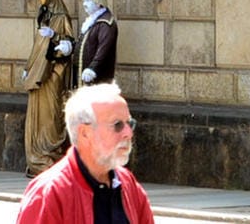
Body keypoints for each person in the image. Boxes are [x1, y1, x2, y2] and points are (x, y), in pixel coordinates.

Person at [16, 82, 151, 224]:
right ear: (85, 133)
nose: (128, 133)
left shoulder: (127, 184)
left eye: (130, 123)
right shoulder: (49, 193)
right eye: (117, 125)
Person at [21, 0, 77, 173]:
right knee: (39, 117)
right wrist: (29, 67)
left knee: (52, 117)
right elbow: (38, 46)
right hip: (39, 74)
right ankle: (37, 157)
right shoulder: (44, 15)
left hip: (53, 74)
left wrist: (55, 36)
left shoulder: (61, 17)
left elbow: (68, 46)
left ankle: (51, 156)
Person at [76, 0, 117, 85]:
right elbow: (85, 44)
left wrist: (92, 68)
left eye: (88, 1)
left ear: (99, 3)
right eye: (84, 1)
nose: (84, 4)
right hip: (84, 75)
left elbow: (104, 49)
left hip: (97, 77)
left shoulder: (106, 23)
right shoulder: (92, 21)